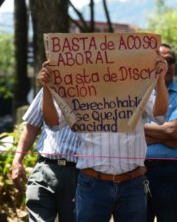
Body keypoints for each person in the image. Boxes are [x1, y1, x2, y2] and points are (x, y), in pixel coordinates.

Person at [37, 55, 169, 222]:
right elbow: (53, 123)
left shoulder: (137, 90)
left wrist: (160, 79)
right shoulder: (80, 90)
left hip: (132, 183)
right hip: (92, 184)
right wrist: (47, 88)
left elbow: (160, 115)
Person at [144, 43, 177, 222]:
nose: (166, 65)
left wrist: (136, 129)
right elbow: (170, 136)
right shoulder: (136, 95)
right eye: (161, 61)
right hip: (136, 172)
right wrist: (167, 138)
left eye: (170, 60)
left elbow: (173, 131)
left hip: (170, 174)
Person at [11, 89, 80, 222]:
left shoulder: (95, 89)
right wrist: (17, 161)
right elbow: (32, 126)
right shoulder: (50, 85)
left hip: (78, 173)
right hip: (44, 167)